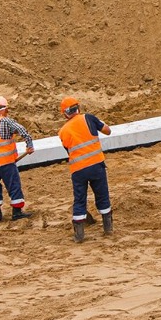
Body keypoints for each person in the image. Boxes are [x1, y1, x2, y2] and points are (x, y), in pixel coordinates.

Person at [58, 96, 113, 243]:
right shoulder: (88, 118)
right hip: (96, 165)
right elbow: (108, 131)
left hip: (78, 170)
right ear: (78, 108)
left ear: (64, 113)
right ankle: (108, 228)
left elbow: (68, 150)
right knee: (102, 195)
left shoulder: (63, 131)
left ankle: (79, 235)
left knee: (80, 199)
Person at [0, 95, 34, 222]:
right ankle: (17, 212)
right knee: (14, 186)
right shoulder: (6, 121)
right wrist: (29, 145)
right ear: (6, 109)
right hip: (6, 163)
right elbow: (22, 130)